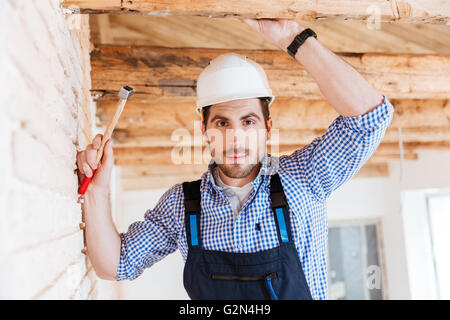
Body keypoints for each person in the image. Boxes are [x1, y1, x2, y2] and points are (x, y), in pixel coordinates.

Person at [76, 18, 394, 300]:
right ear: (205, 130)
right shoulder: (181, 206)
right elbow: (114, 264)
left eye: (248, 121)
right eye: (222, 123)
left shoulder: (304, 177)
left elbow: (371, 118)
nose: (236, 137)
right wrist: (97, 190)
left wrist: (293, 37)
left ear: (268, 128)